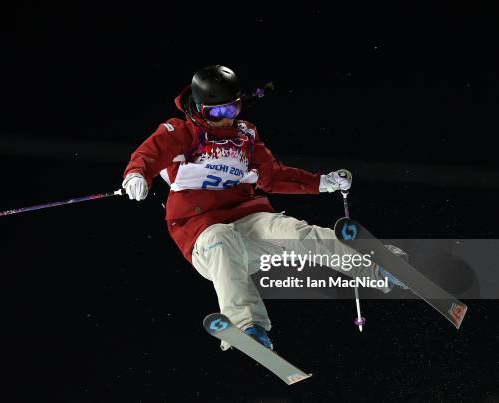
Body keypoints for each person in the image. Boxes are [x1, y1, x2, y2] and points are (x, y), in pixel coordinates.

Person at [122, 65, 406, 350]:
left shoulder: (246, 135)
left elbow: (273, 176)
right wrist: (136, 175)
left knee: (292, 231)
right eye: (216, 113)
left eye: (232, 110)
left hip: (248, 219)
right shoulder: (181, 132)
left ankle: (376, 266)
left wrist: (323, 182)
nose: (225, 120)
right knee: (222, 238)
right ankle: (245, 324)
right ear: (198, 108)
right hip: (201, 233)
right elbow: (148, 155)